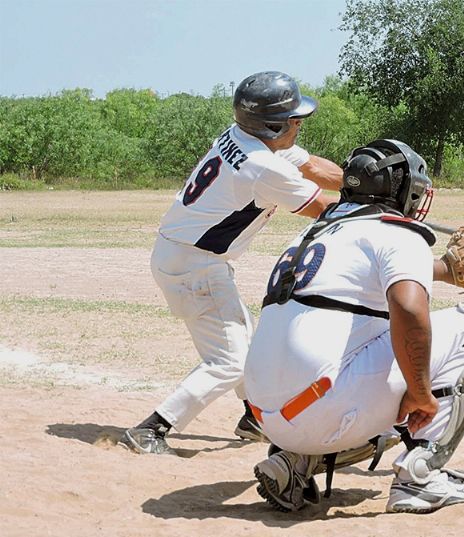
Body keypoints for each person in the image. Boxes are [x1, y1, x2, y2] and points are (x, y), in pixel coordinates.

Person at [244, 139, 464, 514]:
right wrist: (419, 391)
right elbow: (409, 309)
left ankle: (294, 463)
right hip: (322, 406)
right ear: (404, 192)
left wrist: (448, 270)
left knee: (356, 347)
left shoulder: (317, 232)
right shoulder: (399, 232)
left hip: (269, 416)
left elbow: (368, 279)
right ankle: (421, 478)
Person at [119, 71, 344, 456]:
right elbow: (323, 209)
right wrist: (384, 209)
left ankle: (254, 418)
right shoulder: (262, 166)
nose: (299, 125)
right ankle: (152, 429)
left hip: (185, 255)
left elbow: (311, 166)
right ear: (272, 125)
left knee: (243, 341)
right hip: (195, 265)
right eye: (293, 120)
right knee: (231, 359)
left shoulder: (245, 137)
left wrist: (361, 182)